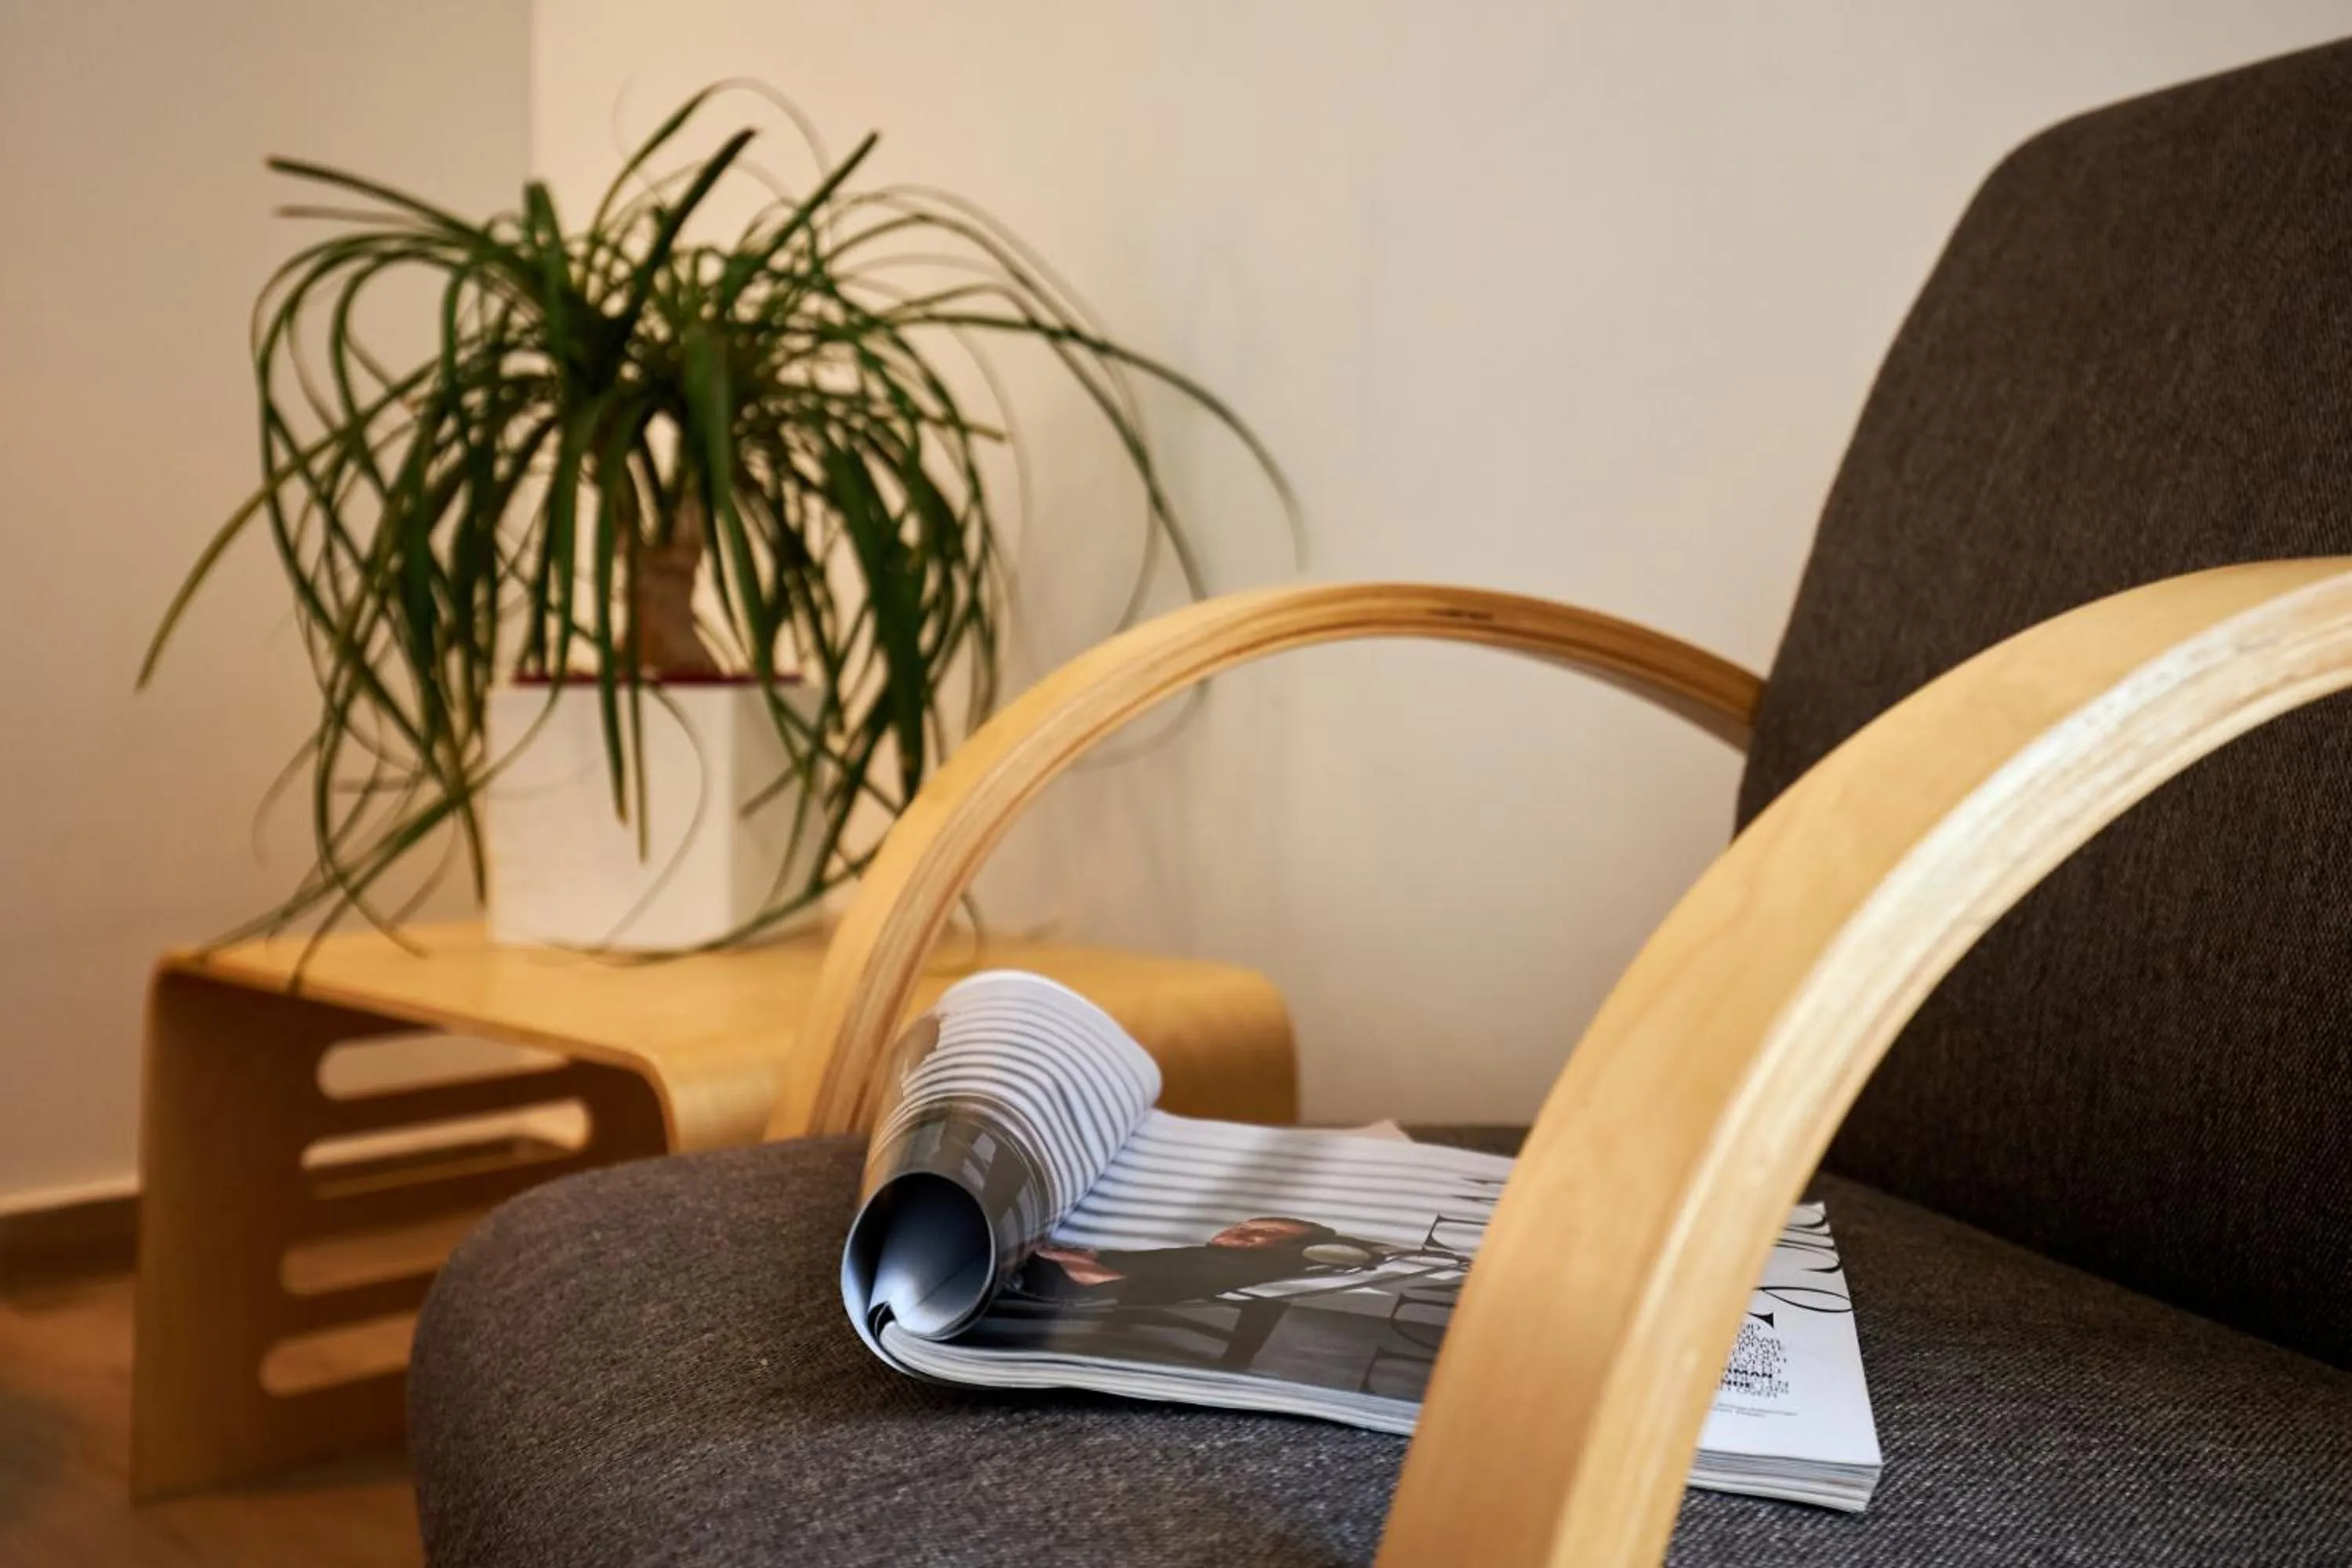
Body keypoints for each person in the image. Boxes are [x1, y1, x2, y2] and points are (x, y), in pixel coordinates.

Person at [1007, 1217, 1385, 1308]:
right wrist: (1077, 1254)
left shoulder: (1254, 1267)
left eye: (1262, 1236)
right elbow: (1109, 1258)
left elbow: (1124, 1283)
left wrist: (1072, 1263)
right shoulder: (1215, 1254)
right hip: (1100, 1274)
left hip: (1102, 1290)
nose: (1241, 1234)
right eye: (1243, 1227)